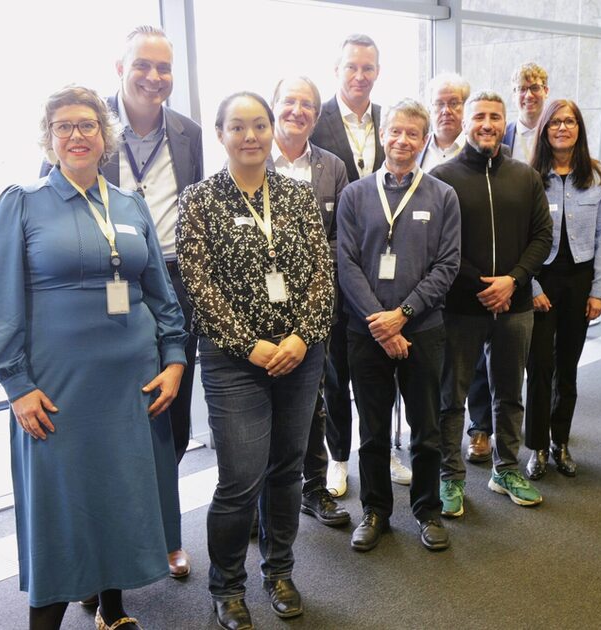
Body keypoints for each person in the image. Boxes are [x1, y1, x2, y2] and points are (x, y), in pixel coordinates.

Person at [0, 85, 187, 630]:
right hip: (57, 387)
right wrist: (17, 385)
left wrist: (174, 359)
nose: (76, 135)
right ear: (48, 138)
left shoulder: (130, 204)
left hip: (133, 383)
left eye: (88, 125)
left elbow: (161, 292)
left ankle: (112, 612)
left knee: (116, 495)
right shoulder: (22, 202)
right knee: (63, 507)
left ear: (105, 135)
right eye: (64, 126)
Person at [37, 25, 202, 580]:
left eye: (164, 67)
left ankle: (162, 532)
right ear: (120, 68)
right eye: (143, 66)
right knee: (106, 428)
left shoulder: (188, 133)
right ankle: (105, 545)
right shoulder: (87, 127)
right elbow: (54, 203)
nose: (154, 77)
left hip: (171, 280)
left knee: (168, 417)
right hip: (104, 283)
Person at [177, 92, 334, 628]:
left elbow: (321, 275)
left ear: (271, 131)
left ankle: (280, 572)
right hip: (234, 360)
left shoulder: (297, 196)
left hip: (299, 355)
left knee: (286, 470)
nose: (251, 136)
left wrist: (302, 338)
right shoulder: (199, 200)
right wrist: (250, 344)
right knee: (240, 479)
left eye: (260, 125)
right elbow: (198, 286)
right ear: (220, 134)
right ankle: (226, 586)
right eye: (238, 126)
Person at [337, 99, 461, 552]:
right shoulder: (355, 194)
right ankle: (375, 511)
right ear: (381, 135)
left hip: (423, 329)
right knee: (371, 431)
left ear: (424, 140)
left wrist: (402, 316)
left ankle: (427, 511)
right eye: (395, 131)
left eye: (412, 133)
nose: (403, 140)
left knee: (426, 429)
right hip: (365, 331)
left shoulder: (443, 196)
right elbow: (347, 263)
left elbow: (447, 265)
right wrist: (381, 323)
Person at [432, 91, 552, 517]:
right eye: (479, 116)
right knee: (451, 397)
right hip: (461, 307)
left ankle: (506, 470)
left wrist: (513, 281)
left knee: (509, 394)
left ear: (505, 123)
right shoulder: (442, 177)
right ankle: (450, 475)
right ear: (465, 123)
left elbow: (543, 237)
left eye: (495, 117)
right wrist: (484, 285)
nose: (487, 124)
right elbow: (439, 246)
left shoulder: (525, 176)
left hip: (515, 306)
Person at [309, 33, 411, 496]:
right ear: (337, 70)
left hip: (386, 267)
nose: (360, 75)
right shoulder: (318, 122)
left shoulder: (389, 120)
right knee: (336, 372)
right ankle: (338, 456)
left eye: (368, 68)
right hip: (338, 264)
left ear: (377, 72)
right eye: (351, 67)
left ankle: (383, 448)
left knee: (380, 368)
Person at [268, 75, 351, 527]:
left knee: (314, 400)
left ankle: (314, 489)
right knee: (263, 406)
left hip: (315, 304)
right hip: (261, 306)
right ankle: (261, 500)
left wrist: (313, 274)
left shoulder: (332, 167)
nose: (297, 111)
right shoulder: (253, 158)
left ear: (317, 117)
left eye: (307, 105)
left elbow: (341, 236)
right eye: (289, 101)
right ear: (274, 106)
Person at [523, 99, 601, 480]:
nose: (563, 128)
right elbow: (519, 239)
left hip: (580, 282)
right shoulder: (529, 176)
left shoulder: (598, 177)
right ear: (545, 130)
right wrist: (531, 287)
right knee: (539, 367)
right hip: (540, 282)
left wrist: (600, 291)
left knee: (568, 368)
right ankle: (537, 446)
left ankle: (560, 441)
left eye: (570, 121)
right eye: (555, 122)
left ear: (579, 128)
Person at [419, 72, 494, 465]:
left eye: (454, 103)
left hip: (472, 279)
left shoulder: (486, 153)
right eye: (439, 103)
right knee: (436, 363)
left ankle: (479, 428)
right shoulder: (415, 150)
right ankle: (433, 432)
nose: (447, 110)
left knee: (476, 362)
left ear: (466, 111)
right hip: (426, 279)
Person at [503, 62, 550, 164]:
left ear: (546, 91)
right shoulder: (502, 135)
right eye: (522, 89)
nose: (528, 95)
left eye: (535, 88)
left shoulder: (555, 133)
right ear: (514, 95)